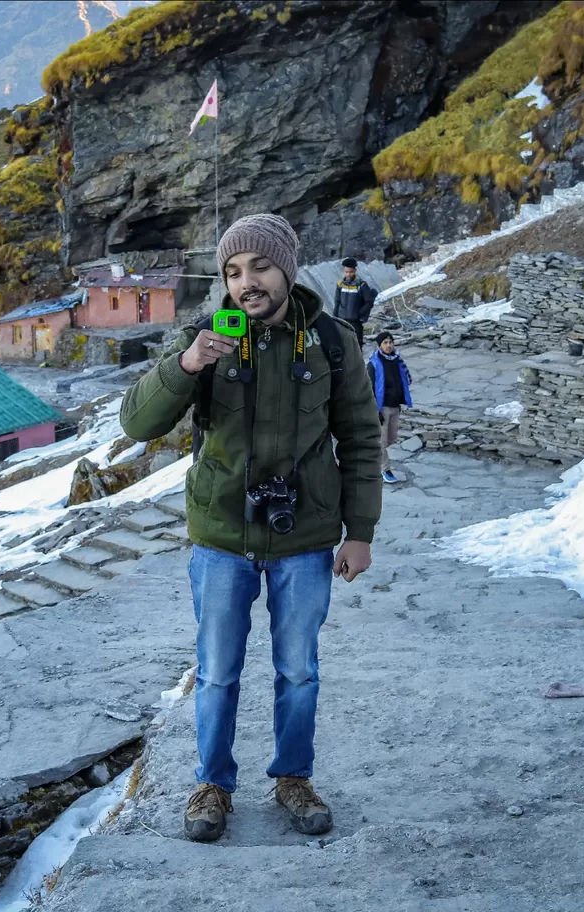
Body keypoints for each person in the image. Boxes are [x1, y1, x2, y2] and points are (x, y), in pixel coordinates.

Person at [120, 214, 383, 843]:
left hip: (306, 536)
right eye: (233, 272)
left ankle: (293, 777)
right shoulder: (203, 335)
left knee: (298, 669)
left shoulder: (333, 340)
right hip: (222, 539)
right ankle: (213, 784)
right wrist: (186, 365)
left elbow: (361, 437)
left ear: (286, 271)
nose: (246, 283)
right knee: (216, 671)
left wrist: (361, 530)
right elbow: (137, 426)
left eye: (259, 268)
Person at [367, 331, 413, 484]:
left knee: (390, 439)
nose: (389, 345)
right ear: (380, 345)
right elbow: (370, 388)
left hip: (395, 406)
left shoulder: (397, 361)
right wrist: (374, 410)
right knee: (381, 441)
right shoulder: (373, 364)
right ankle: (385, 470)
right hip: (382, 407)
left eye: (390, 342)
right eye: (385, 343)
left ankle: (372, 457)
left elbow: (402, 382)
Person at [334, 257, 377, 348]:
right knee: (342, 346)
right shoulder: (340, 284)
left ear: (355, 270)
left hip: (355, 322)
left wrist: (359, 314)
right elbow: (337, 301)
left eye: (351, 272)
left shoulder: (361, 285)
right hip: (341, 321)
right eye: (346, 272)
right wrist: (334, 317)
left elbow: (369, 302)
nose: (348, 274)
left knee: (356, 347)